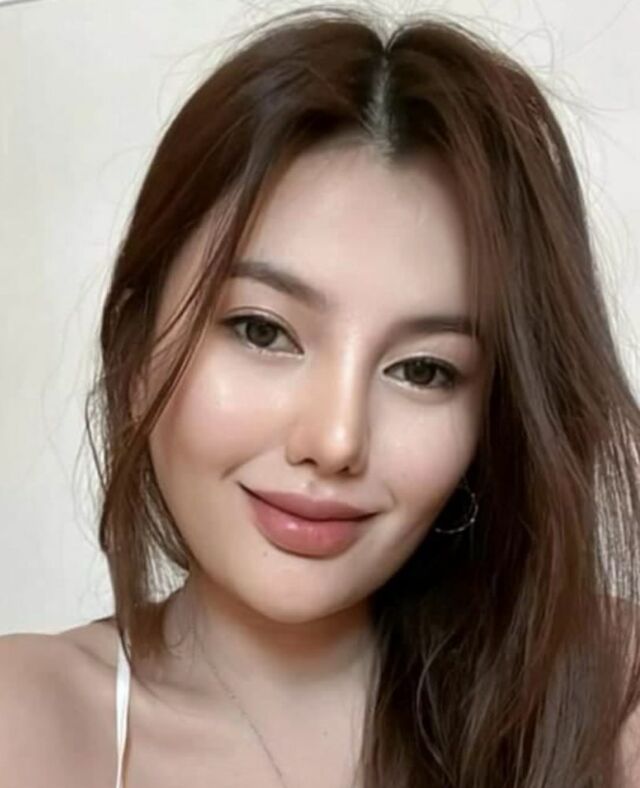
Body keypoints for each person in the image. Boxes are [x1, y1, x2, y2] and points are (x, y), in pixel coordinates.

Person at [1, 5, 639, 786]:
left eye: (423, 370)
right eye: (262, 331)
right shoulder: (29, 725)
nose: (336, 440)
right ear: (138, 351)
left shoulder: (607, 700)